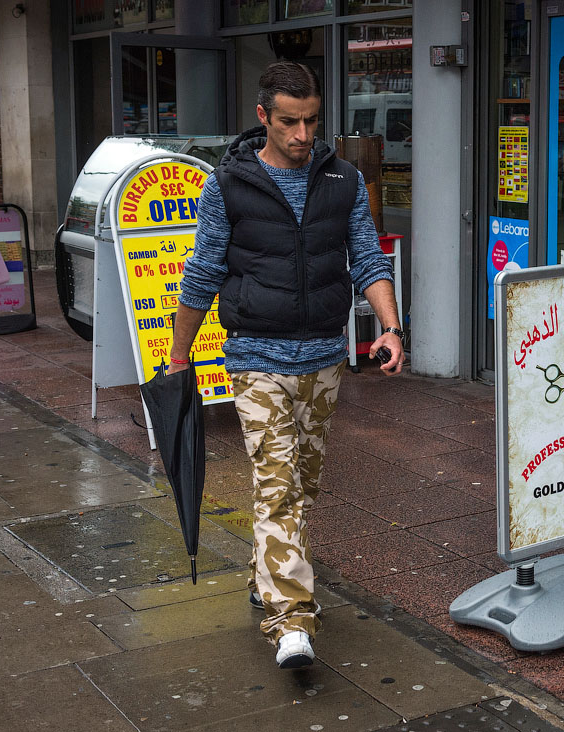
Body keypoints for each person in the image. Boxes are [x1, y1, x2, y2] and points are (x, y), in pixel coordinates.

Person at [167, 60, 404, 669]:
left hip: (322, 359)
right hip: (253, 359)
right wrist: (177, 356)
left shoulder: (342, 179)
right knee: (277, 488)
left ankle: (264, 575)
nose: (302, 135)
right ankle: (291, 622)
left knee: (302, 486)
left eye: (311, 121)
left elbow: (369, 259)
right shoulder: (229, 184)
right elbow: (203, 271)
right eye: (289, 122)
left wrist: (391, 327)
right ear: (262, 118)